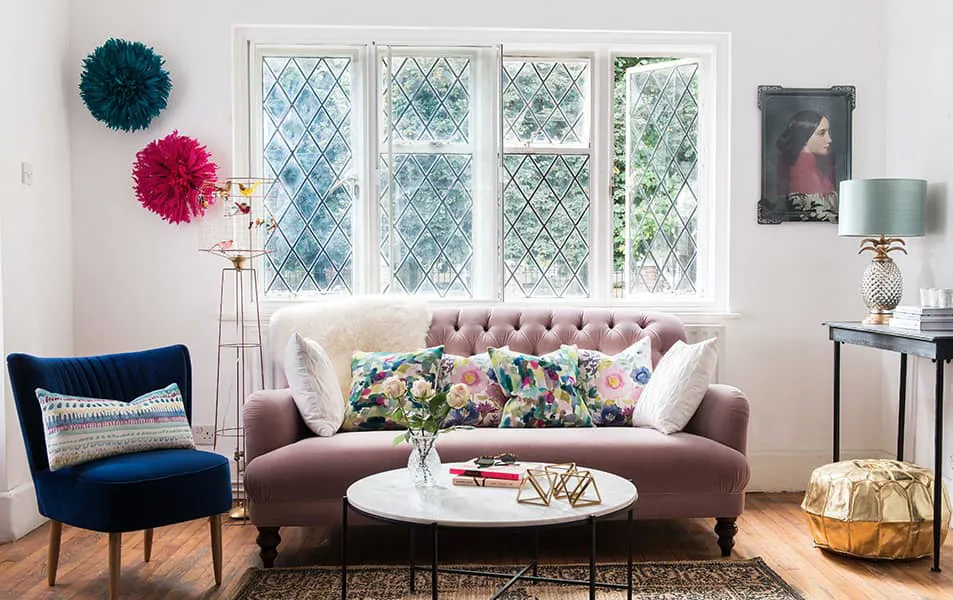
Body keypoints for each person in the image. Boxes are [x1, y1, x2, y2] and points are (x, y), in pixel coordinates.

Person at [773, 110, 838, 221]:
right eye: (822, 133)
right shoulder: (802, 175)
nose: (829, 139)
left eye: (828, 132)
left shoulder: (813, 171)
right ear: (804, 136)